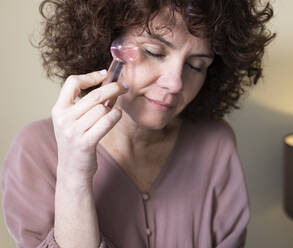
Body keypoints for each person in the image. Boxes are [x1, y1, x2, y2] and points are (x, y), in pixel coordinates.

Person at [1, 0, 274, 247]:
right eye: (155, 52)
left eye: (196, 65)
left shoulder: (216, 144)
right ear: (104, 45)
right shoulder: (35, 151)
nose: (176, 83)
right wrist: (74, 176)